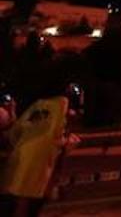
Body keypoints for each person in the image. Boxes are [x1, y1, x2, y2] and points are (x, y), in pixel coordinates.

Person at [0, 80, 77, 216]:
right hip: (38, 169)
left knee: (13, 201)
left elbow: (13, 133)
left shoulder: (36, 107)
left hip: (18, 162)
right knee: (30, 202)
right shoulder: (62, 107)